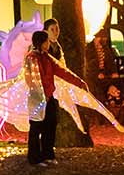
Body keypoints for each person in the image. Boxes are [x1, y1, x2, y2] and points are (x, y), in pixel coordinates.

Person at [24, 30, 90, 166]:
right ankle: (34, 158)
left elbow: (62, 71)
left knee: (50, 126)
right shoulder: (31, 58)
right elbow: (32, 79)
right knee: (36, 128)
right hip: (37, 98)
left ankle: (47, 154)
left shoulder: (47, 58)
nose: (48, 43)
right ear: (41, 43)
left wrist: (79, 82)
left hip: (49, 97)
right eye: (46, 41)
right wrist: (41, 95)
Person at [88, 30, 124, 123]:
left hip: (105, 76)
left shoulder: (105, 48)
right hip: (94, 78)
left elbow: (111, 61)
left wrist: (113, 72)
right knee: (98, 94)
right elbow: (88, 65)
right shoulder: (89, 49)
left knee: (114, 87)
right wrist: (96, 73)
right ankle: (99, 118)